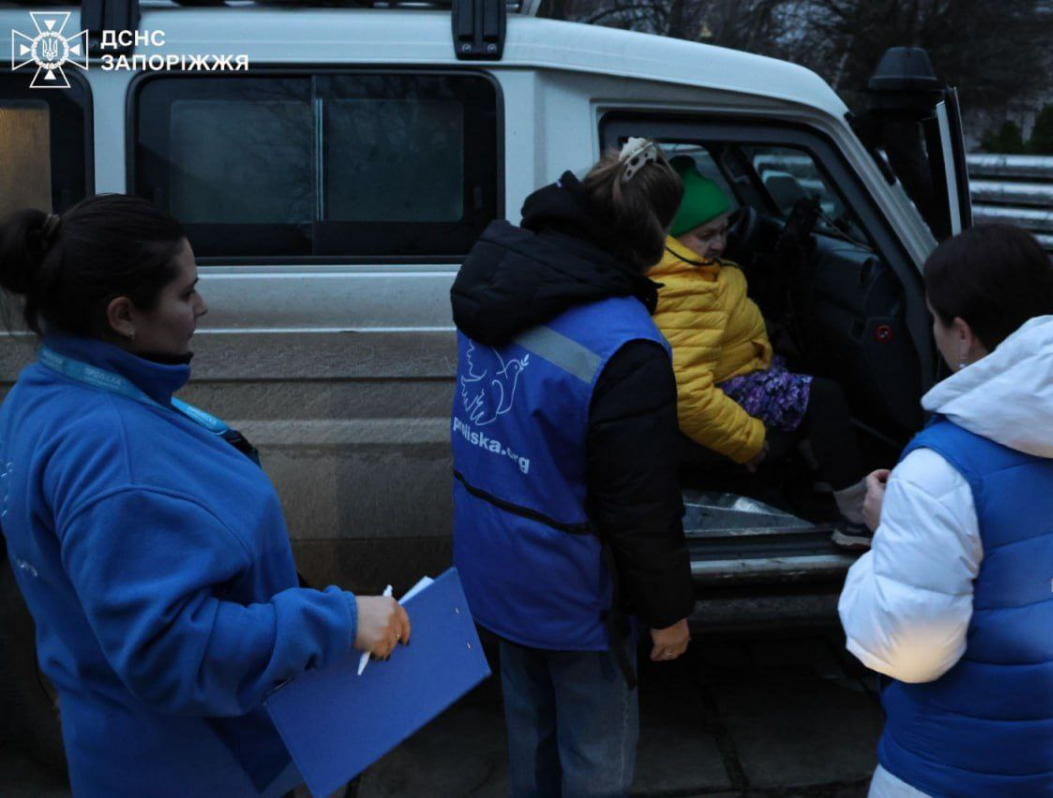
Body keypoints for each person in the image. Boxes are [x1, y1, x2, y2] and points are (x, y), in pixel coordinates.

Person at [0, 195, 411, 797]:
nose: (201, 306)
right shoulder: (115, 453)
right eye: (185, 292)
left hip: (124, 744)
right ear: (122, 315)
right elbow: (172, 652)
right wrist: (336, 621)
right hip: (199, 767)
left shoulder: (43, 389)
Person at [838, 223, 1053, 797]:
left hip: (951, 775)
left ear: (961, 334)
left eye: (934, 319)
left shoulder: (938, 472)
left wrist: (887, 536)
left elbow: (908, 652)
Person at [450, 139, 693, 797]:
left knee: (529, 729)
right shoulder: (627, 343)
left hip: (492, 559)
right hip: (573, 590)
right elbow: (638, 505)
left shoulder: (496, 278)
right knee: (594, 751)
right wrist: (667, 610)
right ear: (653, 236)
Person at [648, 155, 871, 548]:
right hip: (728, 389)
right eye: (706, 235)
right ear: (670, 236)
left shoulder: (700, 270)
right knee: (825, 397)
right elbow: (687, 392)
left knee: (803, 369)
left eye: (725, 230)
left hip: (739, 372)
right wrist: (748, 442)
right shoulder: (683, 291)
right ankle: (856, 516)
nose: (720, 243)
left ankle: (816, 471)